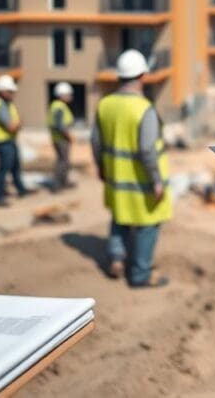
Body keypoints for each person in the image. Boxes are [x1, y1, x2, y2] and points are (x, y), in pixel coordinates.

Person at [91, 49, 172, 287]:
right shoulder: (144, 109)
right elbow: (147, 149)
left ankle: (117, 257)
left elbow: (96, 141)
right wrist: (156, 180)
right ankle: (139, 274)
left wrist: (101, 167)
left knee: (120, 217)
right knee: (148, 227)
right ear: (143, 76)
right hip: (142, 185)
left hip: (116, 180)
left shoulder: (105, 104)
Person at [0, 74, 30, 207]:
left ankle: (21, 190)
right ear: (2, 90)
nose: (13, 94)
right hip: (3, 141)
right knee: (3, 169)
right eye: (10, 91)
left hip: (9, 140)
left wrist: (17, 124)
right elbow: (11, 126)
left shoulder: (5, 104)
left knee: (15, 167)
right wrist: (19, 123)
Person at [48, 81, 75, 192]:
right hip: (61, 139)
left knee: (64, 161)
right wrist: (69, 136)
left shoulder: (57, 106)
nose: (70, 96)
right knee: (62, 161)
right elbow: (59, 125)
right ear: (62, 95)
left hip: (59, 138)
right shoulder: (59, 107)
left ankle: (64, 182)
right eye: (68, 94)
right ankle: (57, 185)